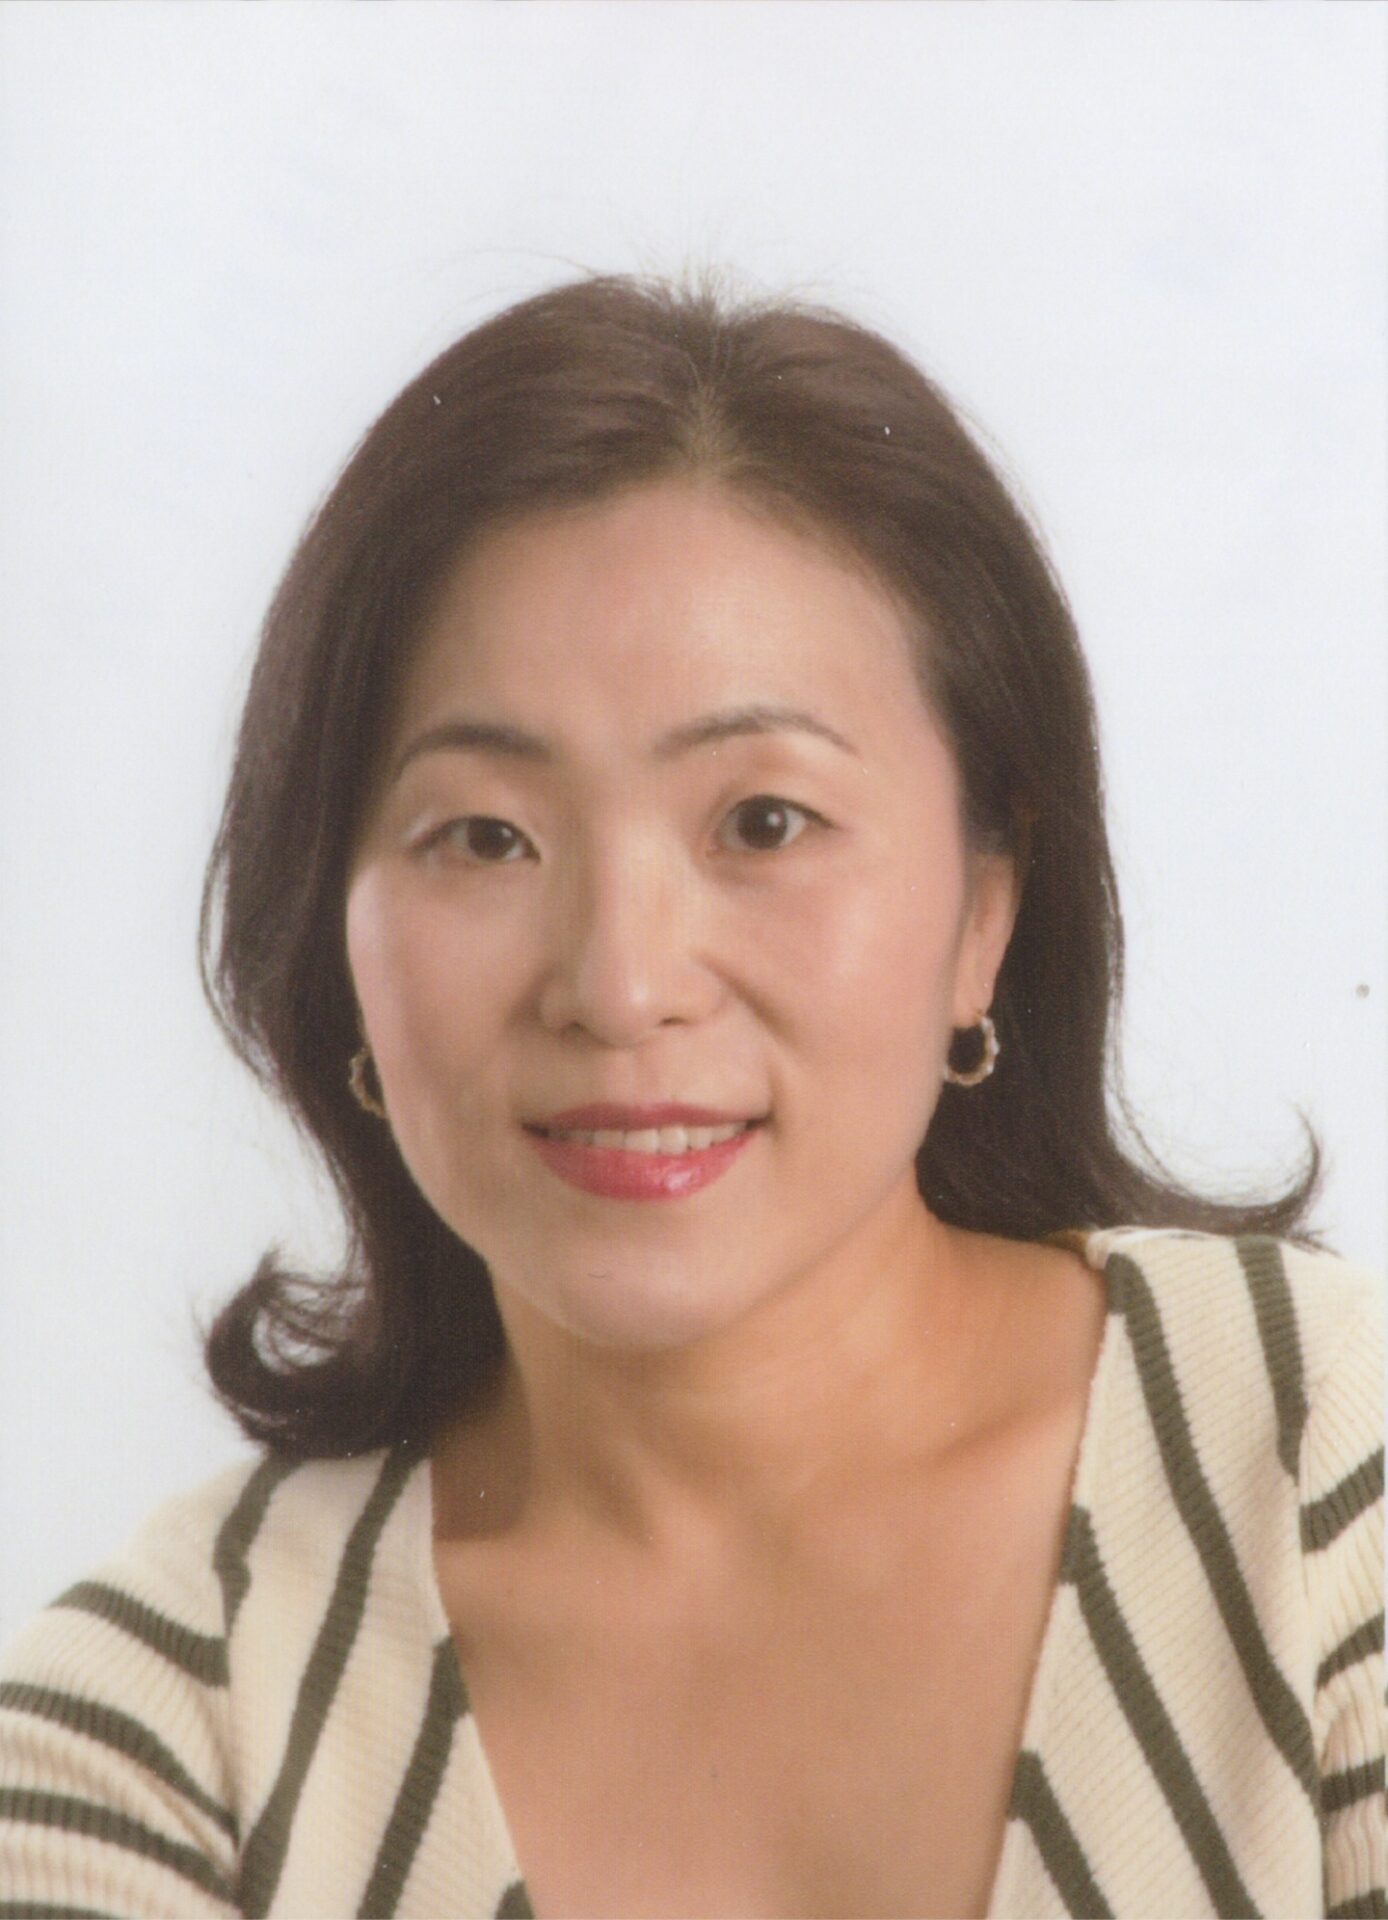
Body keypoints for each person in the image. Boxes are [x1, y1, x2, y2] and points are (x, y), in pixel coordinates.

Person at [0, 271, 1381, 1920]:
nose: (620, 981)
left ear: (986, 910)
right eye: (486, 837)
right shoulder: (160, 1733)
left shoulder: (1325, 1465)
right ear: (334, 935)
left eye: (764, 823)